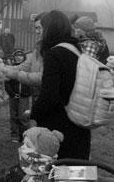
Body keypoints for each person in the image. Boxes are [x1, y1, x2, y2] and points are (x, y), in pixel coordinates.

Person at [31, 10, 91, 160]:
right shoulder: (76, 50)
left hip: (59, 130)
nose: (39, 32)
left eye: (42, 28)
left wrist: (34, 113)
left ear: (50, 29)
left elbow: (49, 95)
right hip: (79, 126)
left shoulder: (55, 54)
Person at [0, 127, 64, 182]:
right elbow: (8, 179)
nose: (22, 148)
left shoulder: (52, 176)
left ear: (42, 153)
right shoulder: (22, 167)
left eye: (27, 145)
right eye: (23, 144)